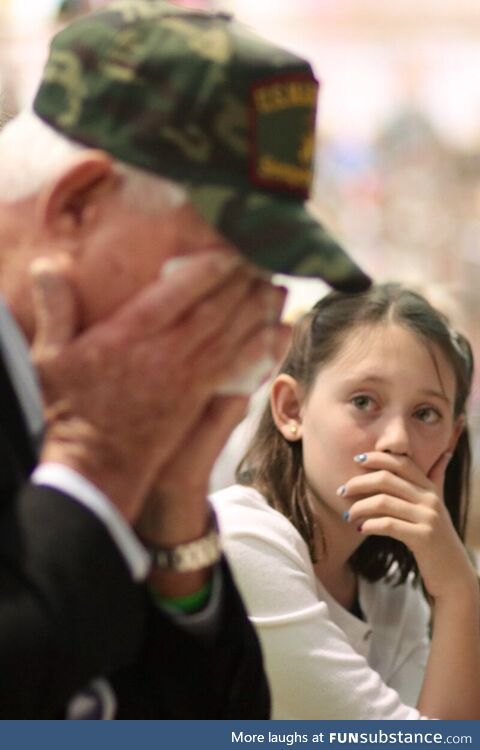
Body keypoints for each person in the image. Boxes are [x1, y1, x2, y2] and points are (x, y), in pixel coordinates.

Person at [0, 0, 370, 719]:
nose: (252, 317)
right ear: (76, 208)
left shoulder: (85, 390)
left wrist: (172, 521)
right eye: (222, 269)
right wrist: (95, 466)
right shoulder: (95, 424)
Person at [211, 283, 480, 720]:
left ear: (452, 436)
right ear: (291, 409)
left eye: (425, 413)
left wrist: (456, 586)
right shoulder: (244, 543)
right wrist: (459, 590)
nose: (397, 442)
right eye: (363, 402)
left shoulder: (392, 587)